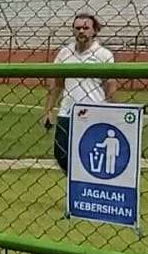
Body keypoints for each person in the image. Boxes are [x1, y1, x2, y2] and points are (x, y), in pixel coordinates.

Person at [44, 13, 116, 171]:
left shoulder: (103, 55)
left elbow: (109, 84)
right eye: (77, 28)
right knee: (62, 155)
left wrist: (110, 109)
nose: (81, 31)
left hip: (94, 112)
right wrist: (48, 110)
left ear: (94, 31)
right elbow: (57, 84)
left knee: (88, 156)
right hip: (67, 112)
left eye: (86, 28)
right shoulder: (65, 53)